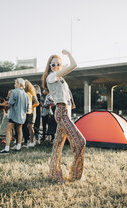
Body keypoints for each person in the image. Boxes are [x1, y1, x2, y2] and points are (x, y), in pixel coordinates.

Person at [42, 49, 86, 183]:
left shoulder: (60, 79)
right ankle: (76, 175)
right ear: (49, 67)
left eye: (58, 64)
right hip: (61, 113)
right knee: (80, 141)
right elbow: (74, 65)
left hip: (64, 113)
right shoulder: (51, 76)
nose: (55, 67)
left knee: (57, 145)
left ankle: (55, 175)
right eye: (52, 64)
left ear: (61, 66)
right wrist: (68, 54)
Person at [0, 78, 29, 154]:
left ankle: (7, 148)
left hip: (14, 115)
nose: (14, 85)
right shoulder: (26, 94)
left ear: (18, 84)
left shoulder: (14, 92)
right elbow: (28, 107)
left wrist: (6, 103)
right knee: (19, 130)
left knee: (8, 130)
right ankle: (18, 147)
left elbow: (11, 103)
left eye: (15, 83)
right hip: (22, 116)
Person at [22, 80, 39, 148]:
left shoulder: (31, 94)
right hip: (28, 112)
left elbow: (37, 103)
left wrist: (31, 107)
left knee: (30, 126)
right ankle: (30, 140)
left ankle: (32, 141)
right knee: (28, 127)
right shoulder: (25, 93)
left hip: (32, 112)